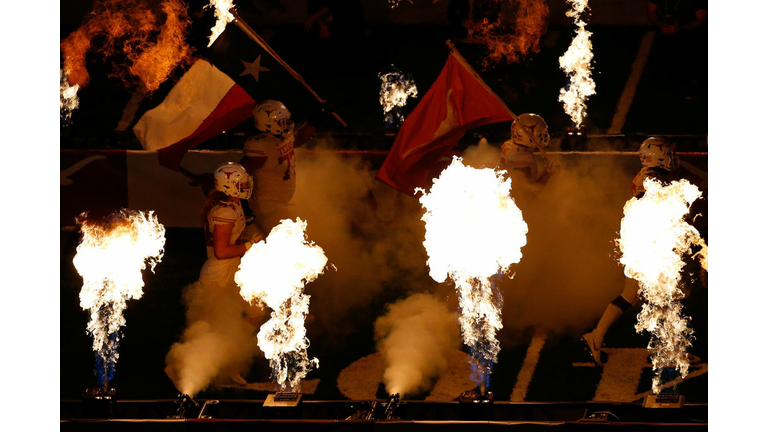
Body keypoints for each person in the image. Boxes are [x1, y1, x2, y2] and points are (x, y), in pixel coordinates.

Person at [165, 162, 265, 390]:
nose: (245, 186)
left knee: (255, 312)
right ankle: (179, 368)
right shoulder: (224, 211)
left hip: (233, 269)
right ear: (228, 186)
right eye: (239, 183)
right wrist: (251, 244)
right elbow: (221, 252)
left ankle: (230, 359)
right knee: (207, 325)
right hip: (219, 272)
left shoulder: (233, 204)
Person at [581, 137, 680, 366]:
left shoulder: (650, 176)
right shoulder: (650, 179)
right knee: (663, 293)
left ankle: (596, 336)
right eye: (667, 153)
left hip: (642, 240)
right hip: (646, 242)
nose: (672, 157)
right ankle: (672, 350)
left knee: (633, 294)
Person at [239, 100, 328, 238]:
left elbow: (299, 138)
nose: (287, 124)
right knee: (293, 243)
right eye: (282, 122)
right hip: (268, 207)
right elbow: (237, 175)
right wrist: (242, 203)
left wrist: (318, 117)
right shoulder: (262, 145)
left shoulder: (280, 137)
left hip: (279, 204)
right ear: (268, 124)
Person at [647, 1, 707, 99]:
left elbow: (701, 19)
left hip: (692, 34)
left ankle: (696, 83)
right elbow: (651, 10)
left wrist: (681, 29)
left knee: (693, 59)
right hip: (668, 32)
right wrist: (660, 25)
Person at [499, 113, 556, 185]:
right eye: (539, 135)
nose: (542, 138)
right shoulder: (521, 157)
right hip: (515, 195)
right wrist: (548, 172)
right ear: (527, 135)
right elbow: (529, 192)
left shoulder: (510, 145)